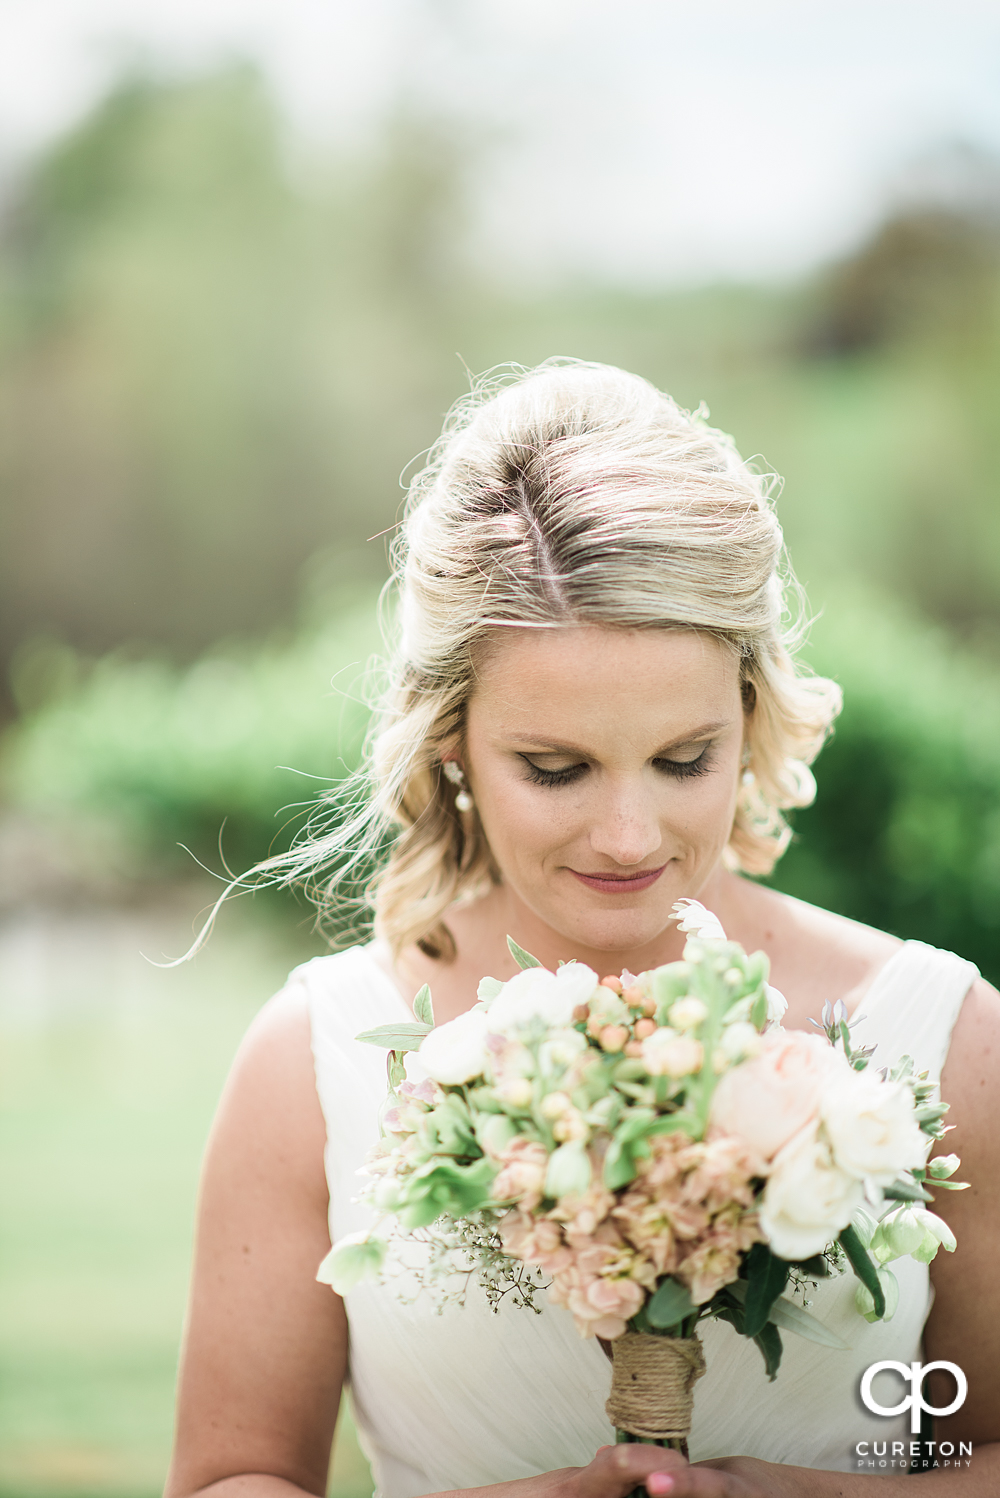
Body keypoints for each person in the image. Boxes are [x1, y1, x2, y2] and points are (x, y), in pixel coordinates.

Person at [163, 361, 1000, 1498]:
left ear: (751, 712)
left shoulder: (942, 1037)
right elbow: (233, 1476)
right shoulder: (311, 1059)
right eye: (555, 768)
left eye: (682, 758)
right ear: (450, 736)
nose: (625, 832)